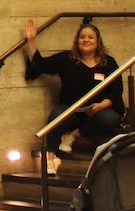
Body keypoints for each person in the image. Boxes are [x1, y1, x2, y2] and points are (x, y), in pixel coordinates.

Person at [24, 17, 123, 159]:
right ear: (77, 41)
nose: (86, 40)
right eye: (82, 37)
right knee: (56, 116)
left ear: (98, 41)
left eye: (90, 37)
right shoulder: (67, 58)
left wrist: (101, 106)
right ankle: (49, 158)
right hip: (71, 109)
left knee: (110, 119)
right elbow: (40, 64)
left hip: (98, 111)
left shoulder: (108, 62)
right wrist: (31, 40)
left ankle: (72, 135)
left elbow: (116, 90)